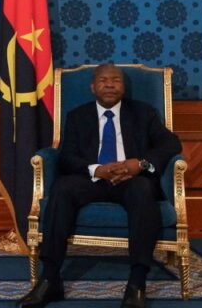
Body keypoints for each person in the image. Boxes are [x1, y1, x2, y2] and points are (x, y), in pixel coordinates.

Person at [19, 64, 182, 308]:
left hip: (131, 181)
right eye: (103, 80)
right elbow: (66, 157)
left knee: (143, 189)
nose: (109, 84)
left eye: (116, 80)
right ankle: (50, 280)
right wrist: (97, 169)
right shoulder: (77, 116)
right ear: (93, 87)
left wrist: (140, 164)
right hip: (92, 180)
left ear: (123, 87)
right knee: (63, 188)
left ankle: (137, 283)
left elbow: (171, 143)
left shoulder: (143, 113)